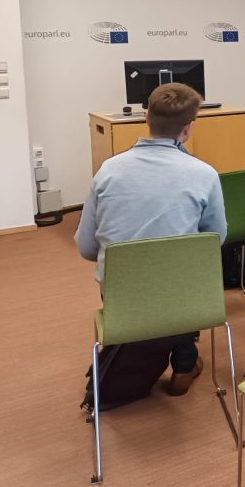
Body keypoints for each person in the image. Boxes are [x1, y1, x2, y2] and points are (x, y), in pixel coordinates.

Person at [75, 82, 227, 395]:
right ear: (188, 128)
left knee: (156, 281)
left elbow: (87, 247)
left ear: (146, 118)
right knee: (183, 276)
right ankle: (184, 363)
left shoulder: (108, 171)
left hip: (123, 293)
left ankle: (141, 349)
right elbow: (215, 241)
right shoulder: (205, 174)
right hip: (183, 293)